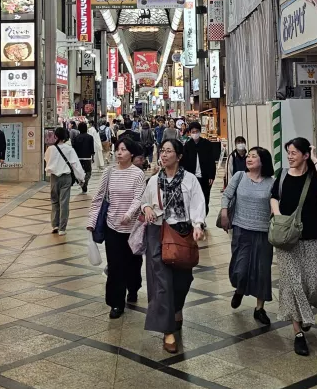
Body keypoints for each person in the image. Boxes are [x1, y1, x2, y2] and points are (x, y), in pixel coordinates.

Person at [140, 139, 206, 353]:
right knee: (162, 283)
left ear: (179, 156)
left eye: (169, 151)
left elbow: (198, 203)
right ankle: (168, 331)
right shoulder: (154, 180)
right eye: (162, 151)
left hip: (182, 235)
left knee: (183, 280)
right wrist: (147, 208)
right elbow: (145, 201)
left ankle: (177, 308)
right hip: (158, 234)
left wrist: (198, 225)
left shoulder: (189, 180)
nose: (164, 155)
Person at [270, 137, 317, 356]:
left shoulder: (313, 176)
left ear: (305, 155)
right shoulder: (282, 175)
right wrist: (279, 217)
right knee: (293, 284)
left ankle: (305, 315)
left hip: (311, 237)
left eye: (294, 152)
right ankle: (298, 333)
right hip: (287, 241)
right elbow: (273, 197)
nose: (290, 156)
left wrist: (315, 160)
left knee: (313, 284)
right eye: (288, 152)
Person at [87, 138, 146, 319]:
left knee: (133, 264)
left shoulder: (137, 174)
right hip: (112, 225)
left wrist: (129, 214)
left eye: (124, 149)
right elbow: (98, 198)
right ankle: (116, 303)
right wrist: (91, 222)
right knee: (115, 266)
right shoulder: (109, 172)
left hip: (133, 228)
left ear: (132, 154)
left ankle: (133, 287)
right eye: (118, 149)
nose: (119, 153)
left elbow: (138, 198)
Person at [219, 146, 275, 325]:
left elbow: (276, 206)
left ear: (262, 161)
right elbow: (227, 195)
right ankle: (240, 289)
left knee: (262, 272)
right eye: (248, 156)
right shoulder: (239, 177)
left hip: (263, 233)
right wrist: (224, 213)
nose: (249, 159)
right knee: (239, 269)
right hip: (241, 229)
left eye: (254, 156)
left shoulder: (271, 182)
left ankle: (260, 308)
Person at [44, 127, 85, 234]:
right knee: (64, 202)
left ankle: (55, 225)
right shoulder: (69, 149)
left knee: (54, 201)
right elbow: (75, 165)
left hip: (53, 177)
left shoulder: (50, 149)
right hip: (66, 178)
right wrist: (81, 178)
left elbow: (46, 160)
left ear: (55, 136)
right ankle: (62, 228)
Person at [181, 121, 217, 217]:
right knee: (193, 199)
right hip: (192, 177)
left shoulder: (207, 144)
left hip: (205, 177)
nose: (195, 133)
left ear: (200, 132)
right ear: (189, 133)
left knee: (205, 199)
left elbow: (211, 161)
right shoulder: (187, 146)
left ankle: (203, 218)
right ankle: (195, 218)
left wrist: (211, 175)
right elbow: (184, 162)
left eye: (197, 131)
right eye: (193, 131)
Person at [72, 123, 96, 193]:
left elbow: (74, 148)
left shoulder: (76, 138)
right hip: (87, 158)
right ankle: (85, 183)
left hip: (78, 158)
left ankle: (81, 183)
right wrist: (93, 157)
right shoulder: (90, 137)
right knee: (88, 172)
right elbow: (92, 149)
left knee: (79, 172)